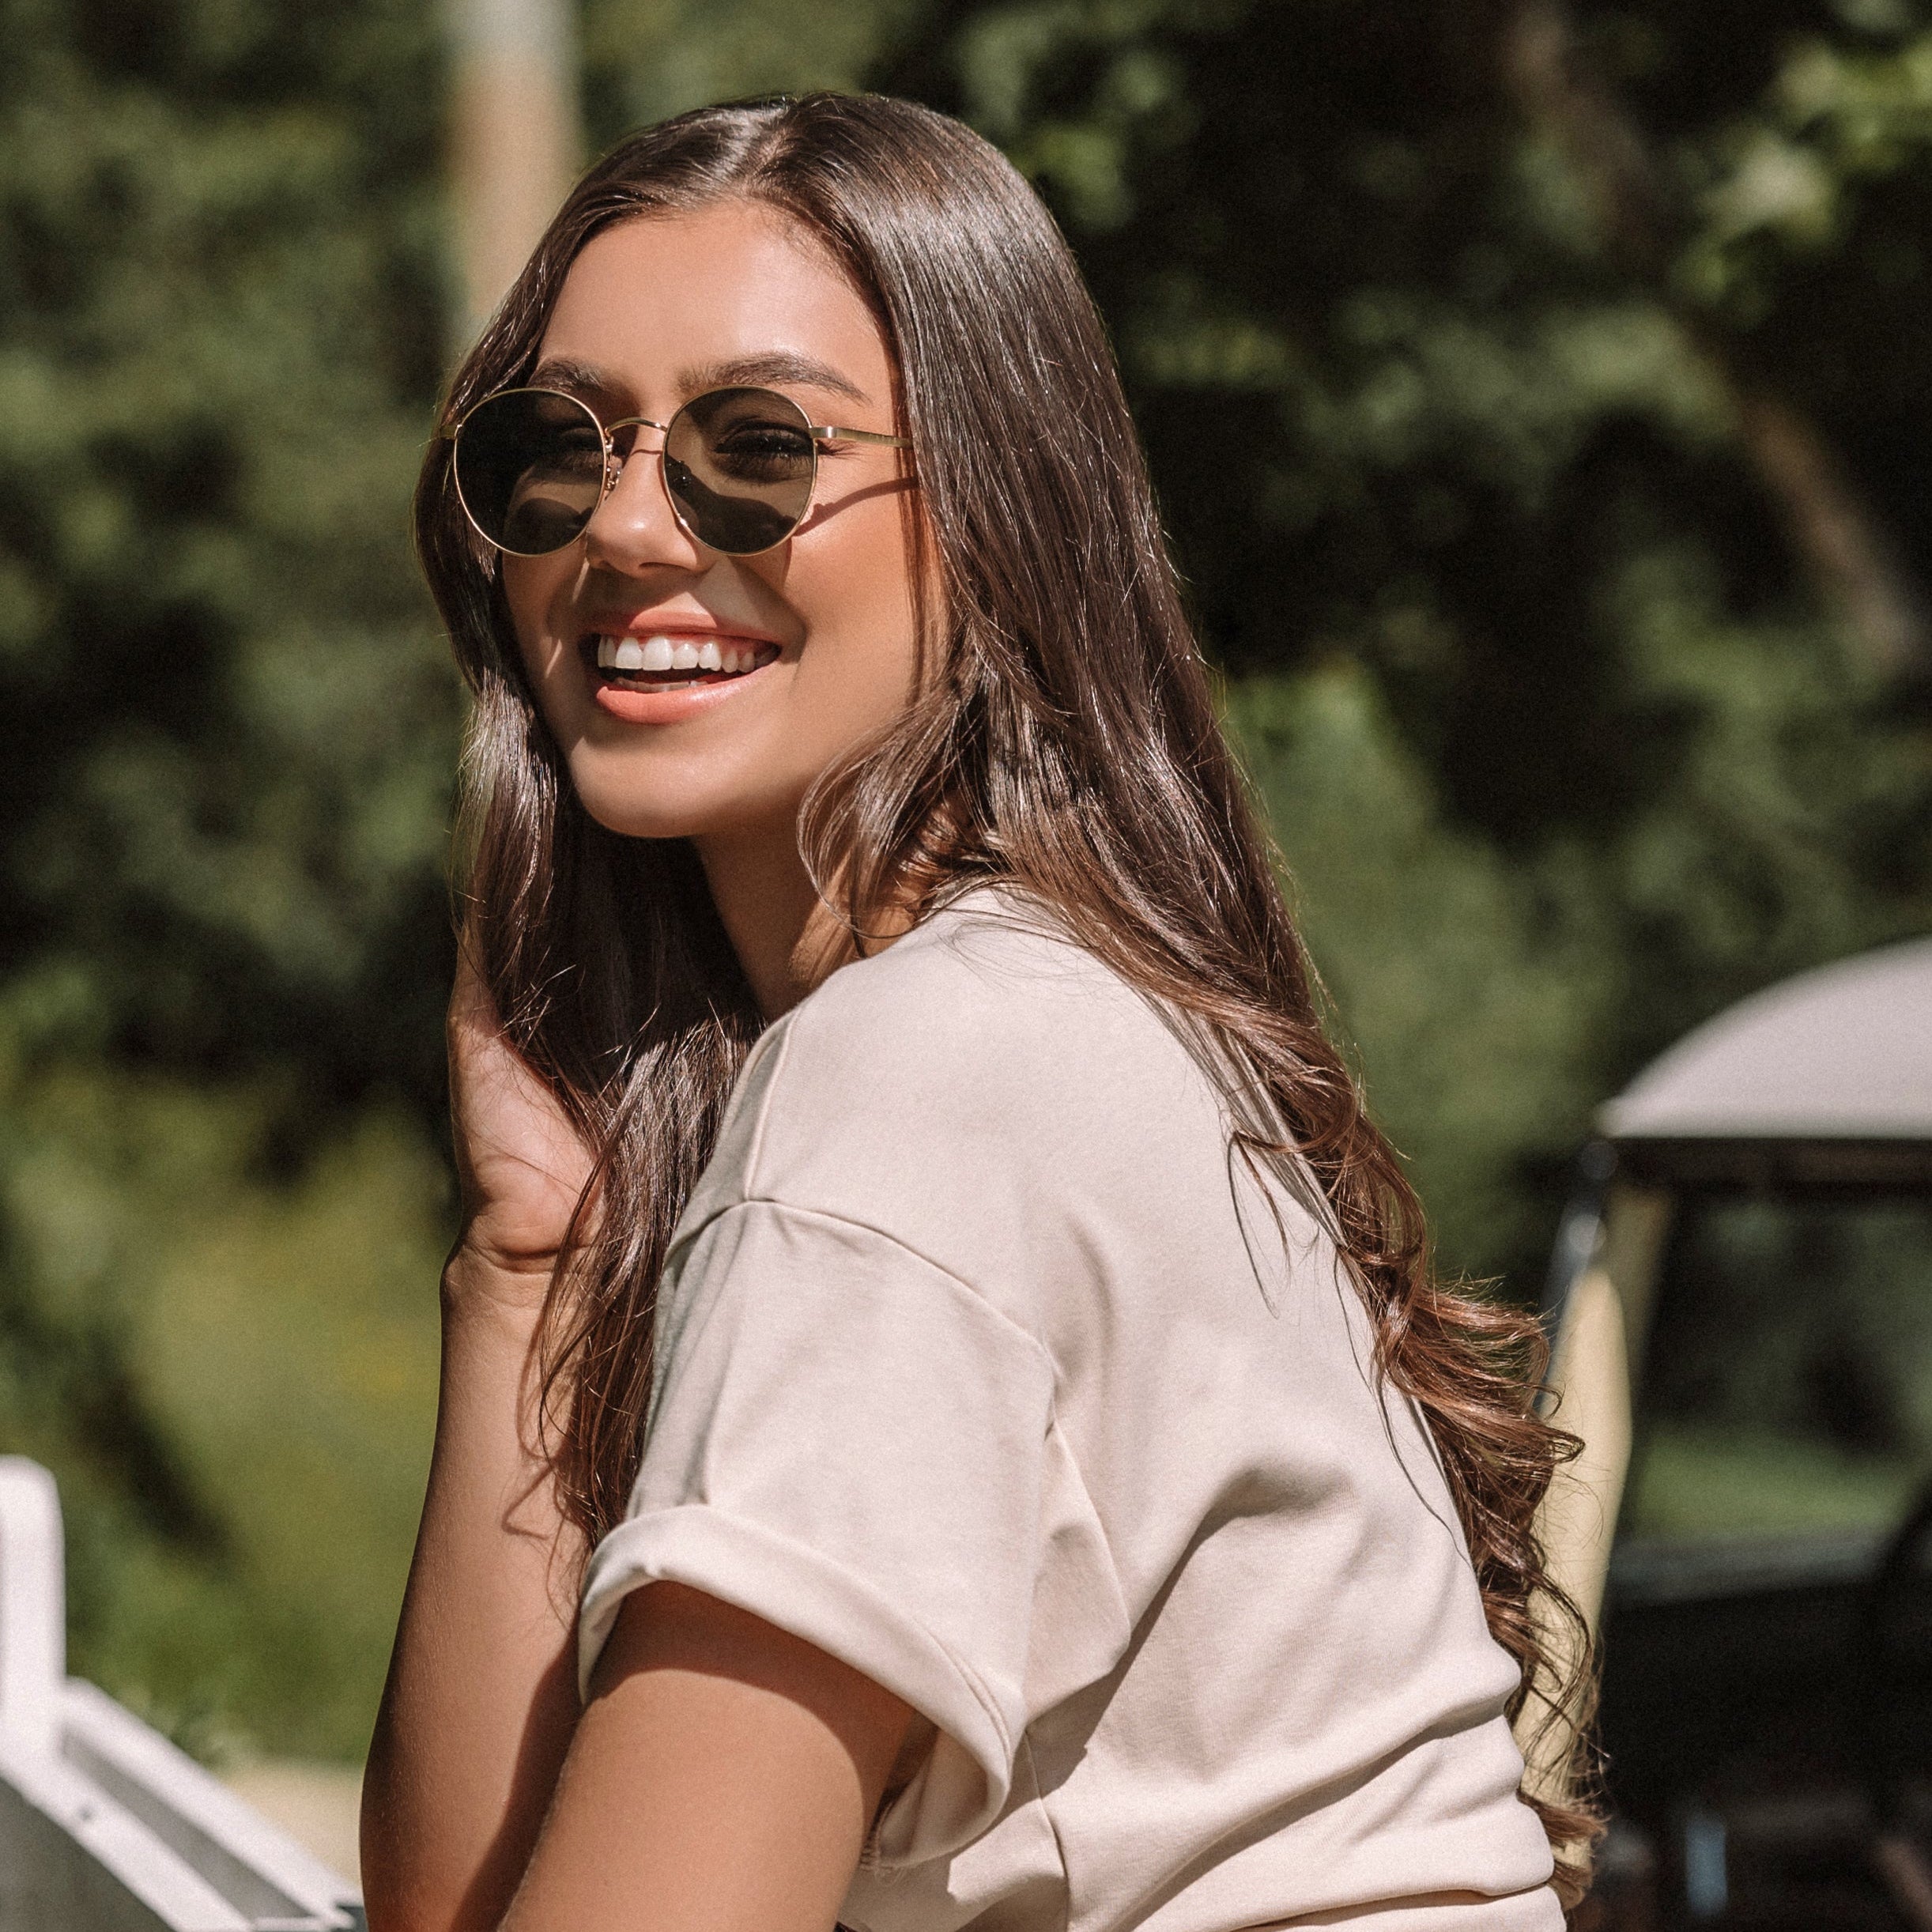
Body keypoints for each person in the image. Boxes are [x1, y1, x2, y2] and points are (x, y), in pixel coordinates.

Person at [360, 92, 1595, 1932]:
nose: (621, 526)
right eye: (559, 447)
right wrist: (533, 1250)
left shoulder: (922, 1080)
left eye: (751, 447)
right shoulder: (1054, 1022)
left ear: (997, 511)